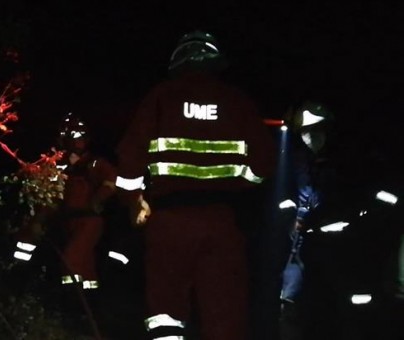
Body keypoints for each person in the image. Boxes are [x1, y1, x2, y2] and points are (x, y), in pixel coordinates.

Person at [114, 30, 276, 340]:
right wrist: (237, 186)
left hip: (169, 222)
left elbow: (131, 153)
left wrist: (134, 199)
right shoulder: (237, 100)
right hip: (223, 222)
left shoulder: (161, 96)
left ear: (179, 61)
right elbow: (264, 163)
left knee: (166, 309)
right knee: (224, 312)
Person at [11, 112, 117, 325]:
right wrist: (41, 219)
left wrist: (98, 199)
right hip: (68, 222)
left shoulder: (96, 163)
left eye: (78, 136)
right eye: (69, 136)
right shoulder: (58, 166)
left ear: (86, 139)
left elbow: (112, 181)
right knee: (86, 270)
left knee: (71, 262)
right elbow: (50, 196)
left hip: (89, 221)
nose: (74, 140)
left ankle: (72, 309)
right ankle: (90, 312)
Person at [275, 101, 337, 340]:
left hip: (322, 238)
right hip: (296, 239)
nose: (313, 136)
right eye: (307, 131)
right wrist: (292, 216)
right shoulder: (293, 160)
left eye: (319, 129)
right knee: (289, 300)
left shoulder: (334, 163)